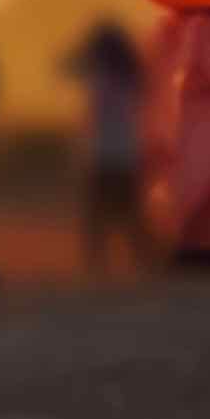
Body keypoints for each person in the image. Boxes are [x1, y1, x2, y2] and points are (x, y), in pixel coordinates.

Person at [62, 16, 151, 273]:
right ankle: (141, 258)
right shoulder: (130, 78)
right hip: (126, 152)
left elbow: (67, 66)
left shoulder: (102, 78)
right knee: (129, 212)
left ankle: (98, 262)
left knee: (97, 213)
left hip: (103, 153)